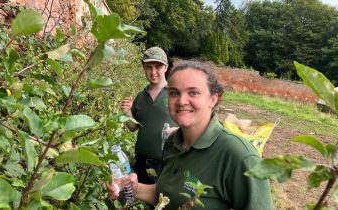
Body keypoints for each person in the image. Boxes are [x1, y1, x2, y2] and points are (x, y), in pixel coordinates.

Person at [109, 60, 274, 209]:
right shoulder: (172, 142)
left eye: (193, 92)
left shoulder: (240, 156)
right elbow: (166, 195)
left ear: (213, 99)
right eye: (174, 93)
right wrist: (133, 187)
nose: (181, 101)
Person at [121, 46, 177, 184]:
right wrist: (127, 112)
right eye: (148, 67)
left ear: (166, 67)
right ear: (143, 68)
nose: (153, 72)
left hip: (168, 165)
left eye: (158, 66)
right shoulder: (141, 96)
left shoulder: (175, 93)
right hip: (141, 165)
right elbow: (133, 127)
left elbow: (191, 125)